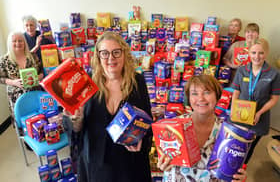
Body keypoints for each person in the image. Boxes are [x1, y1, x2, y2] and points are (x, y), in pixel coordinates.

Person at [63, 31, 152, 182]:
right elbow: (75, 132)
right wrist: (76, 119)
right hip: (97, 165)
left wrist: (141, 140)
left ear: (124, 54)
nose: (111, 58)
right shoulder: (86, 83)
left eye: (116, 52)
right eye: (105, 53)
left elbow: (147, 122)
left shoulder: (137, 82)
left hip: (129, 165)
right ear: (98, 56)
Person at [157, 75, 247, 182]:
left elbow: (233, 169)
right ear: (188, 98)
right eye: (194, 93)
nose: (201, 98)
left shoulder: (229, 132)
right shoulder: (173, 126)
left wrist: (239, 177)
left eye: (207, 92)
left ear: (217, 96)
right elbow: (165, 160)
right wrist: (163, 165)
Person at [231, 38, 280, 164]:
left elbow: (274, 99)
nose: (257, 56)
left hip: (259, 118)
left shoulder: (274, 74)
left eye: (261, 53)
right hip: (240, 115)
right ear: (248, 53)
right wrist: (233, 109)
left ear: (266, 53)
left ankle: (242, 169)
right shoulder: (242, 70)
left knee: (249, 147)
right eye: (253, 53)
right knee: (235, 145)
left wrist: (259, 113)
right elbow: (236, 92)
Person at [0, 31, 43, 123]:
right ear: (9, 43)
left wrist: (39, 77)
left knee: (39, 122)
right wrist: (13, 82)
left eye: (20, 41)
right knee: (22, 125)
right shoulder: (4, 60)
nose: (17, 43)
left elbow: (42, 71)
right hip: (17, 100)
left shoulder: (32, 56)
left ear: (24, 42)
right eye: (14, 41)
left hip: (35, 95)